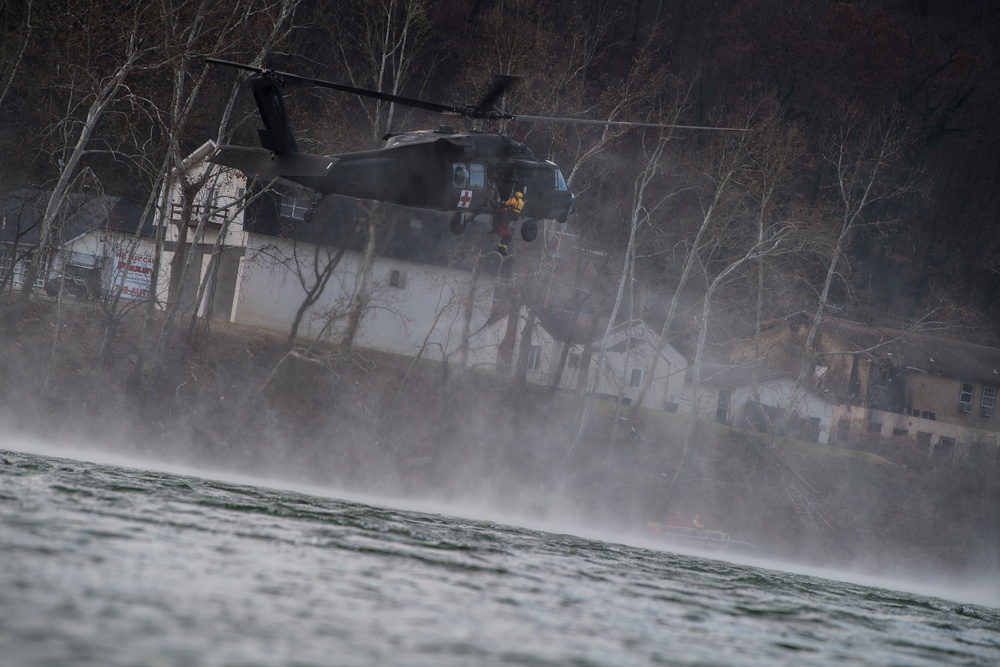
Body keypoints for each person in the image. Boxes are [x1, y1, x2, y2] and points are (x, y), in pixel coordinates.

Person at [493, 191, 524, 255]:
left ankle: (501, 249)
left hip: (503, 226)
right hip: (501, 226)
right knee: (507, 237)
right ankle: (501, 249)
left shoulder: (513, 200)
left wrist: (501, 205)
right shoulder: (522, 203)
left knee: (508, 237)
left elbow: (505, 204)